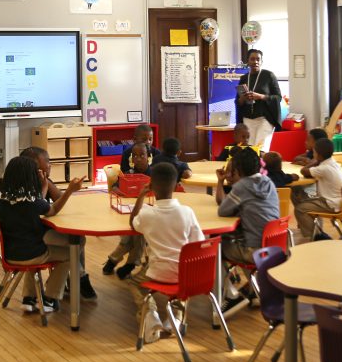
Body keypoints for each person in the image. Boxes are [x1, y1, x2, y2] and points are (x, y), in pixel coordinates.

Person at [0, 156, 84, 313]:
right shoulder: (32, 202)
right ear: (29, 176)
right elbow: (52, 210)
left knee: (38, 244)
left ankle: (29, 297)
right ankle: (50, 298)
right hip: (32, 255)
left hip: (11, 254)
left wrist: (43, 187)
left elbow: (37, 204)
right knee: (72, 251)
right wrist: (69, 190)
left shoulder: (1, 198)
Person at [127, 162, 204, 343]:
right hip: (184, 275)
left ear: (152, 186)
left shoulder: (148, 215)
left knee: (133, 282)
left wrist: (141, 195)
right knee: (181, 283)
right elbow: (198, 243)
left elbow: (133, 222)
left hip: (157, 273)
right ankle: (175, 318)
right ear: (176, 185)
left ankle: (150, 314)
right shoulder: (187, 212)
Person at [20, 146, 97, 299]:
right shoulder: (28, 187)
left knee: (75, 236)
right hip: (34, 240)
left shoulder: (43, 181)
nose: (50, 165)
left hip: (29, 238)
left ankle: (75, 279)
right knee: (76, 241)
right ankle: (78, 278)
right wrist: (67, 190)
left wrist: (50, 184)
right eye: (47, 161)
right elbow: (43, 207)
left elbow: (59, 199)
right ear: (35, 166)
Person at [216, 146, 280, 315]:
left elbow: (223, 210)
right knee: (241, 239)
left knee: (216, 248)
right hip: (273, 247)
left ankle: (230, 294)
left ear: (237, 169)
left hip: (254, 250)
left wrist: (221, 182)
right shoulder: (268, 183)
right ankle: (254, 290)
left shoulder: (242, 186)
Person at [103, 143, 148, 279]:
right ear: (131, 159)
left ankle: (117, 261)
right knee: (132, 236)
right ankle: (129, 263)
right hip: (128, 212)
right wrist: (121, 191)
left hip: (148, 212)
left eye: (142, 155)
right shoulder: (128, 173)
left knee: (138, 234)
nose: (138, 158)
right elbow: (115, 187)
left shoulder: (153, 173)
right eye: (135, 156)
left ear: (148, 156)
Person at [292, 137, 342, 239]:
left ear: (319, 155)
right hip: (338, 201)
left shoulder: (324, 168)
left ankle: (313, 237)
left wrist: (314, 161)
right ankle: (311, 230)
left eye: (314, 152)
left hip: (329, 203)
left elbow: (304, 171)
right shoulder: (333, 163)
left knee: (300, 209)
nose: (313, 154)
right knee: (297, 191)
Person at [237, 49, 282, 150]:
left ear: (261, 61)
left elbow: (278, 97)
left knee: (261, 149)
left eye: (258, 59)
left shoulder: (269, 76)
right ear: (247, 61)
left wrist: (260, 96)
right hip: (248, 119)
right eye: (252, 59)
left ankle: (262, 166)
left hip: (265, 119)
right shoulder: (243, 78)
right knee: (249, 150)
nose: (255, 62)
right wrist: (243, 98)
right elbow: (238, 102)